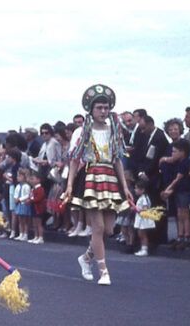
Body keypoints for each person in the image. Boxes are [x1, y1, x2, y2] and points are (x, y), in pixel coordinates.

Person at [64, 83, 134, 285]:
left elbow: (118, 159)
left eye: (106, 108)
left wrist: (125, 187)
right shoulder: (82, 131)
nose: (103, 111)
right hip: (91, 179)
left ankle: (86, 258)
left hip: (110, 179)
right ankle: (104, 272)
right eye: (99, 108)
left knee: (109, 230)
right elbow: (75, 159)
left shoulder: (114, 129)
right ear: (91, 110)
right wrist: (69, 185)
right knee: (98, 227)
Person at [132, 177, 155, 256]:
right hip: (141, 218)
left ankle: (144, 249)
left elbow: (145, 209)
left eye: (137, 188)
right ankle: (142, 248)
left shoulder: (144, 198)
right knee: (140, 234)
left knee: (142, 234)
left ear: (142, 190)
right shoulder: (141, 198)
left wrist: (136, 209)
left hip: (144, 219)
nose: (135, 190)